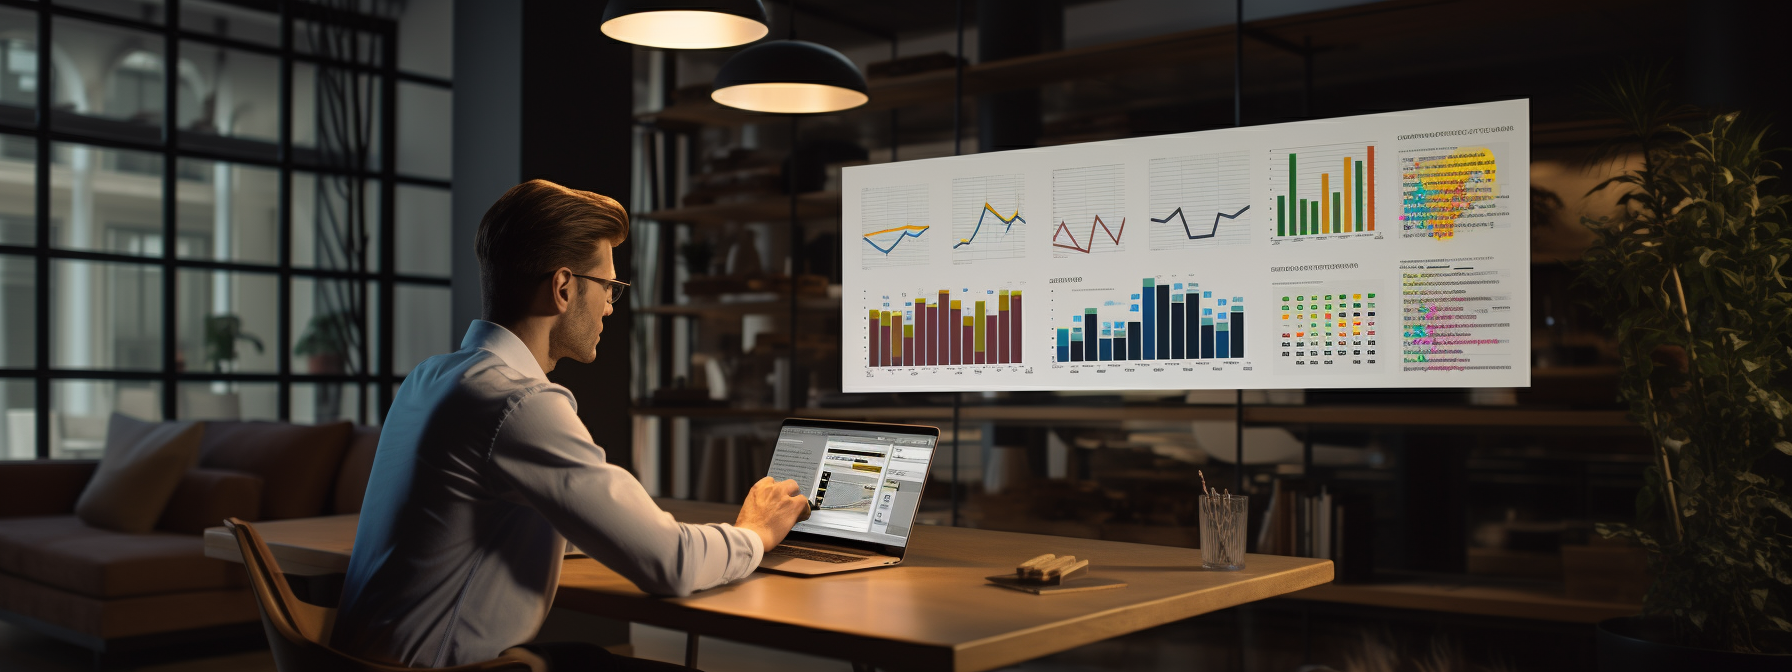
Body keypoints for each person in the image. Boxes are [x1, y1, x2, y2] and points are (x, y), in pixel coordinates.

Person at [330, 179, 811, 671]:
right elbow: (672, 564)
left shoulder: (430, 378)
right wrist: (756, 532)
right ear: (563, 288)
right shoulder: (518, 403)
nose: (608, 306)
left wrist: (613, 525)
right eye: (608, 287)